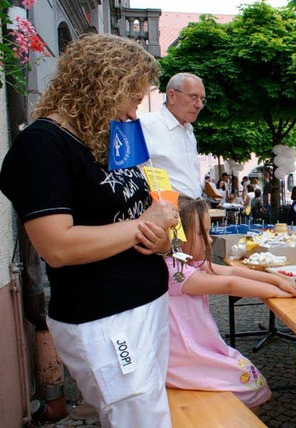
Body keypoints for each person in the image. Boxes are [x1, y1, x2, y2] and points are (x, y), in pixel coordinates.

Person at [0, 34, 179, 427]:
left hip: (140, 305)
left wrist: (161, 240)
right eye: (132, 98)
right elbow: (58, 245)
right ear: (103, 86)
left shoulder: (100, 138)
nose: (134, 113)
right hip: (105, 316)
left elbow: (129, 216)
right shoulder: (42, 146)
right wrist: (142, 227)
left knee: (145, 413)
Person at [165, 197, 296, 413]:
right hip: (186, 358)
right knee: (252, 384)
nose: (210, 239)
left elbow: (232, 271)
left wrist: (278, 280)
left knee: (250, 379)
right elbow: (230, 284)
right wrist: (280, 292)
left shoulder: (184, 260)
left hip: (195, 350)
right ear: (176, 235)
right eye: (202, 233)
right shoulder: (174, 270)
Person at [140, 72, 206, 199]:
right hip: (163, 213)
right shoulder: (144, 125)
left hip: (193, 212)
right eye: (193, 97)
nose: (199, 105)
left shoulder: (189, 133)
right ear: (171, 96)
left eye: (202, 99)